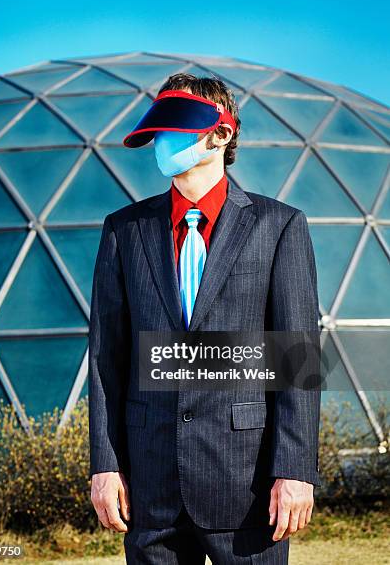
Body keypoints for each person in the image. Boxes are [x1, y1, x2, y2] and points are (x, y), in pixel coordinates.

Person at [88, 73, 321, 564]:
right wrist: (105, 465)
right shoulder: (124, 231)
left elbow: (296, 359)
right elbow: (107, 358)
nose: (163, 140)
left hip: (248, 484)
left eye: (179, 124)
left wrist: (295, 469)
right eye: (159, 127)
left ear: (222, 133)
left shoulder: (279, 226)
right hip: (151, 487)